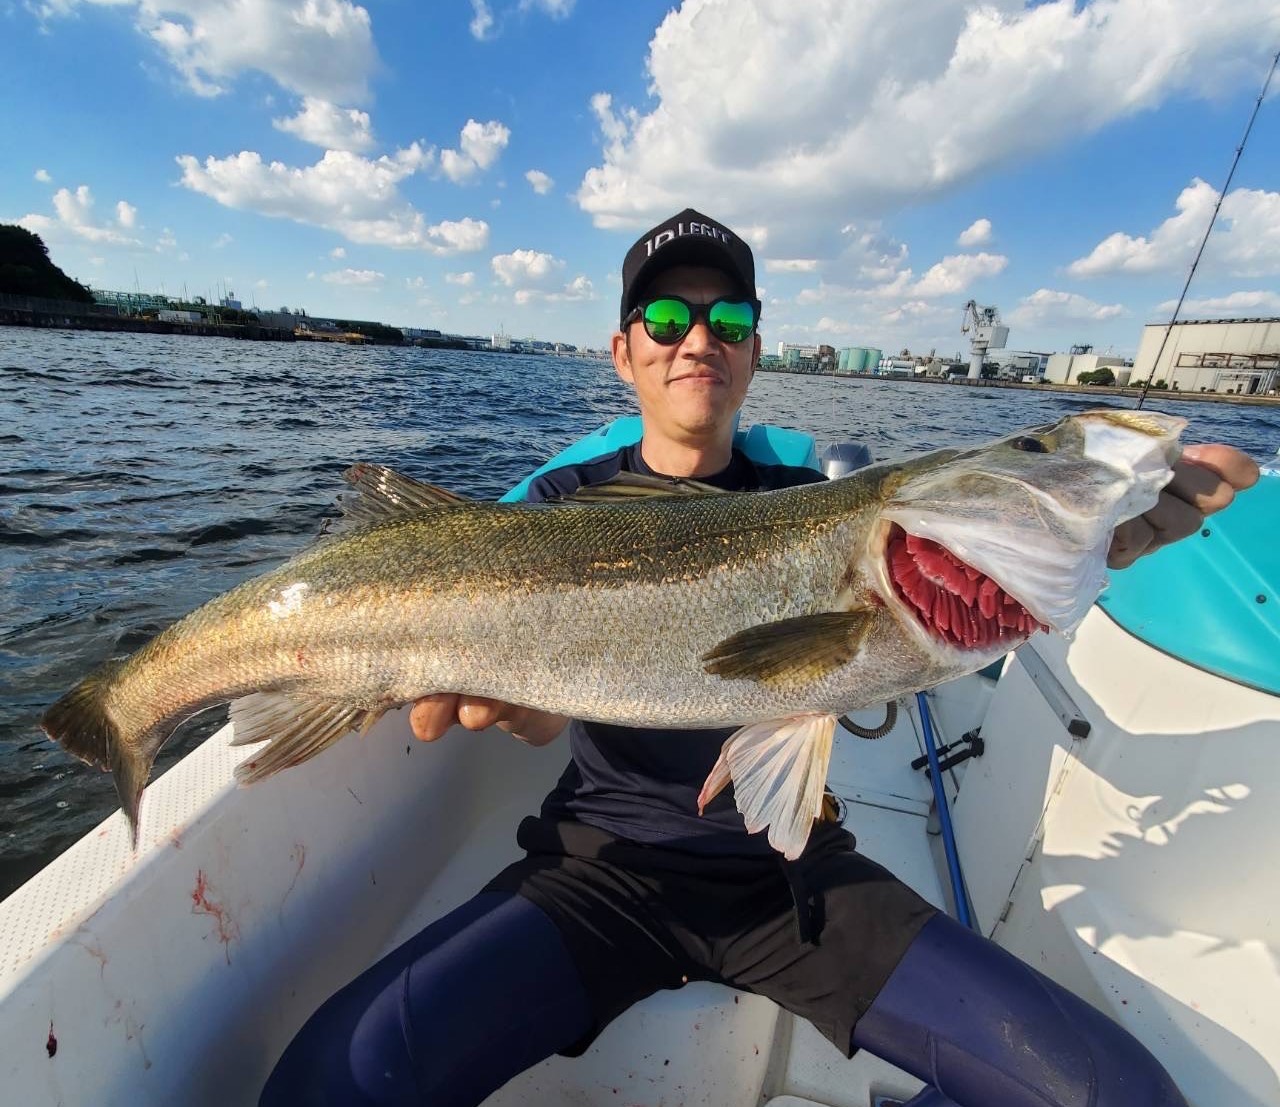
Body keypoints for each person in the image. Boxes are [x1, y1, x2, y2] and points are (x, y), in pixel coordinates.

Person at [260, 209, 1259, 1107]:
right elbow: (546, 685)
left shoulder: (812, 494)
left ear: (753, 350)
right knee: (324, 1086)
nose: (698, 341)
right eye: (665, 320)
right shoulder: (560, 507)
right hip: (595, 867)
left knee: (1122, 1095)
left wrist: (1087, 542)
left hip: (789, 878)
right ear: (622, 351)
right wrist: (524, 704)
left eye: (727, 321)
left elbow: (925, 615)